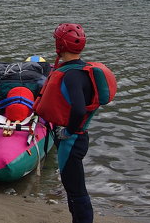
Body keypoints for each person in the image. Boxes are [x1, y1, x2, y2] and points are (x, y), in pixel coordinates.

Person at [33, 23, 107, 223]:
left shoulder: (71, 75)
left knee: (76, 191)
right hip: (78, 137)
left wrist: (68, 131)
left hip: (72, 140)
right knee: (73, 189)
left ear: (60, 45)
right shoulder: (80, 70)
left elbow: (79, 108)